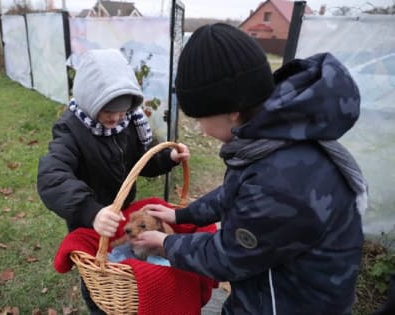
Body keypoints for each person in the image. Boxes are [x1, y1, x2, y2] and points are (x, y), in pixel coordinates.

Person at [133, 23, 367, 315]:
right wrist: (181, 214)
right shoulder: (271, 139)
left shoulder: (281, 177)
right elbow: (236, 193)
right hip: (264, 292)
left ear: (233, 110)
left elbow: (231, 254)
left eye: (200, 118)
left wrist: (167, 244)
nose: (200, 129)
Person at [37, 48, 189, 314]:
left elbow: (144, 161)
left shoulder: (129, 124)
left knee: (125, 269)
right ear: (89, 100)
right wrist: (91, 211)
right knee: (98, 276)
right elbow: (52, 176)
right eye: (109, 110)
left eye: (123, 111)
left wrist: (169, 158)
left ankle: (127, 302)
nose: (117, 118)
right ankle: (98, 305)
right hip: (90, 217)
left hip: (124, 214)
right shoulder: (70, 131)